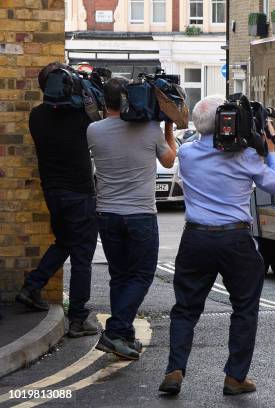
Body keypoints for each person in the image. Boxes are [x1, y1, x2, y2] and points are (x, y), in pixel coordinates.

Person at [158, 96, 275, 396]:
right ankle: (235, 377)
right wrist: (270, 150)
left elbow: (178, 151)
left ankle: (175, 369)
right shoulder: (246, 157)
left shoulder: (187, 154)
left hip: (196, 238)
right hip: (235, 239)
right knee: (244, 308)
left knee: (185, 308)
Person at [88, 77, 177, 360]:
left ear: (105, 102)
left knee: (120, 276)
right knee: (142, 274)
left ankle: (124, 337)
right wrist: (169, 128)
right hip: (140, 214)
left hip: (107, 214)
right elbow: (169, 161)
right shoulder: (150, 130)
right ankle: (115, 330)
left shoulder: (93, 130)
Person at [16, 62, 99, 338]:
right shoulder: (81, 117)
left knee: (64, 241)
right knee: (82, 258)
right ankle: (77, 319)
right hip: (80, 195)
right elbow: (99, 118)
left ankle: (32, 286)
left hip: (53, 194)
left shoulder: (36, 117)